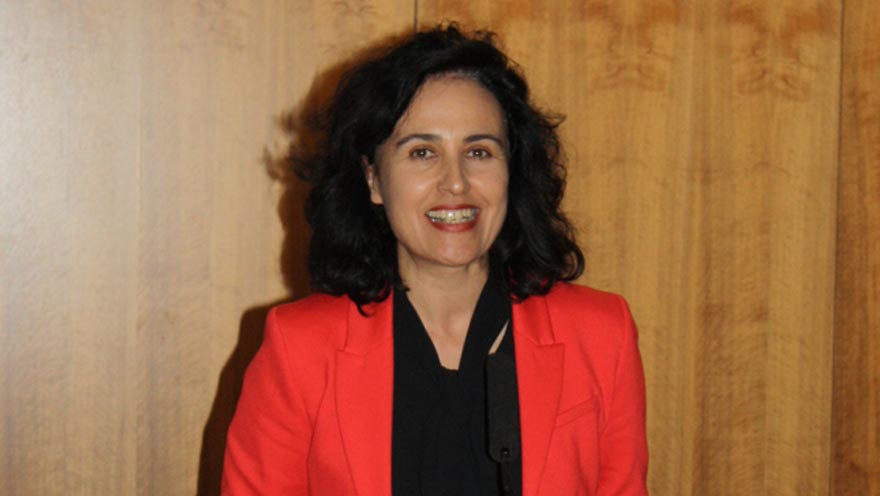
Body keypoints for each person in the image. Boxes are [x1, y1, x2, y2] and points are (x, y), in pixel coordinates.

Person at [222, 24, 648, 496]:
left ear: (512, 171)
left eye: (479, 151)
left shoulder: (601, 335)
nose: (456, 182)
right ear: (373, 179)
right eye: (422, 152)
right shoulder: (299, 350)